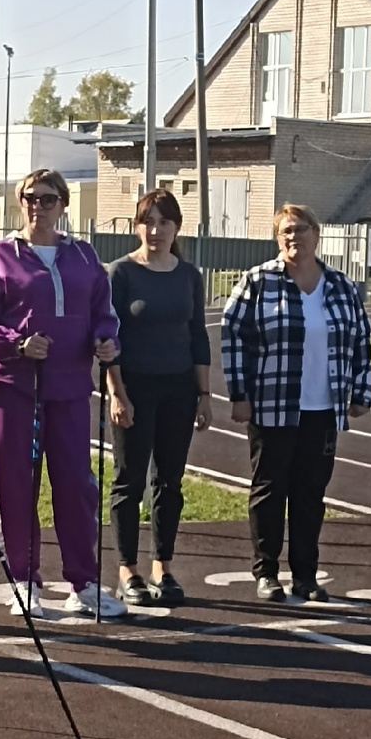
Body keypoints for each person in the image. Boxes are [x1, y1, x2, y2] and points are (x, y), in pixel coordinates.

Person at [0, 168, 123, 618]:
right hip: (15, 387)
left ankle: (84, 582)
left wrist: (107, 341)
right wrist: (15, 344)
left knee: (75, 485)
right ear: (20, 203)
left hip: (70, 387)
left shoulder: (84, 256)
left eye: (48, 198)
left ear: (63, 204)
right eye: (31, 198)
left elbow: (103, 313)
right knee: (17, 484)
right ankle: (23, 580)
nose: (39, 206)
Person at [222, 203, 371, 603]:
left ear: (316, 234)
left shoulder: (340, 286)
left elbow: (360, 339)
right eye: (286, 231)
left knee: (310, 494)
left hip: (322, 408)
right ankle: (266, 572)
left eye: (301, 229)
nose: (294, 237)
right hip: (272, 405)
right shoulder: (258, 281)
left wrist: (361, 391)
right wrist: (239, 393)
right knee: (270, 490)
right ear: (277, 238)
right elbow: (232, 334)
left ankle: (305, 575)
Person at [105, 189, 212, 606]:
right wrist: (117, 392)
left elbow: (198, 336)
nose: (155, 230)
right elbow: (108, 338)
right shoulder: (121, 274)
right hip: (134, 387)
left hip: (179, 389)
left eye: (164, 222)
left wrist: (204, 394)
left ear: (176, 228)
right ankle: (127, 570)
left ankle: (162, 567)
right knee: (129, 479)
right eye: (147, 222)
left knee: (169, 480)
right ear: (136, 227)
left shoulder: (189, 276)